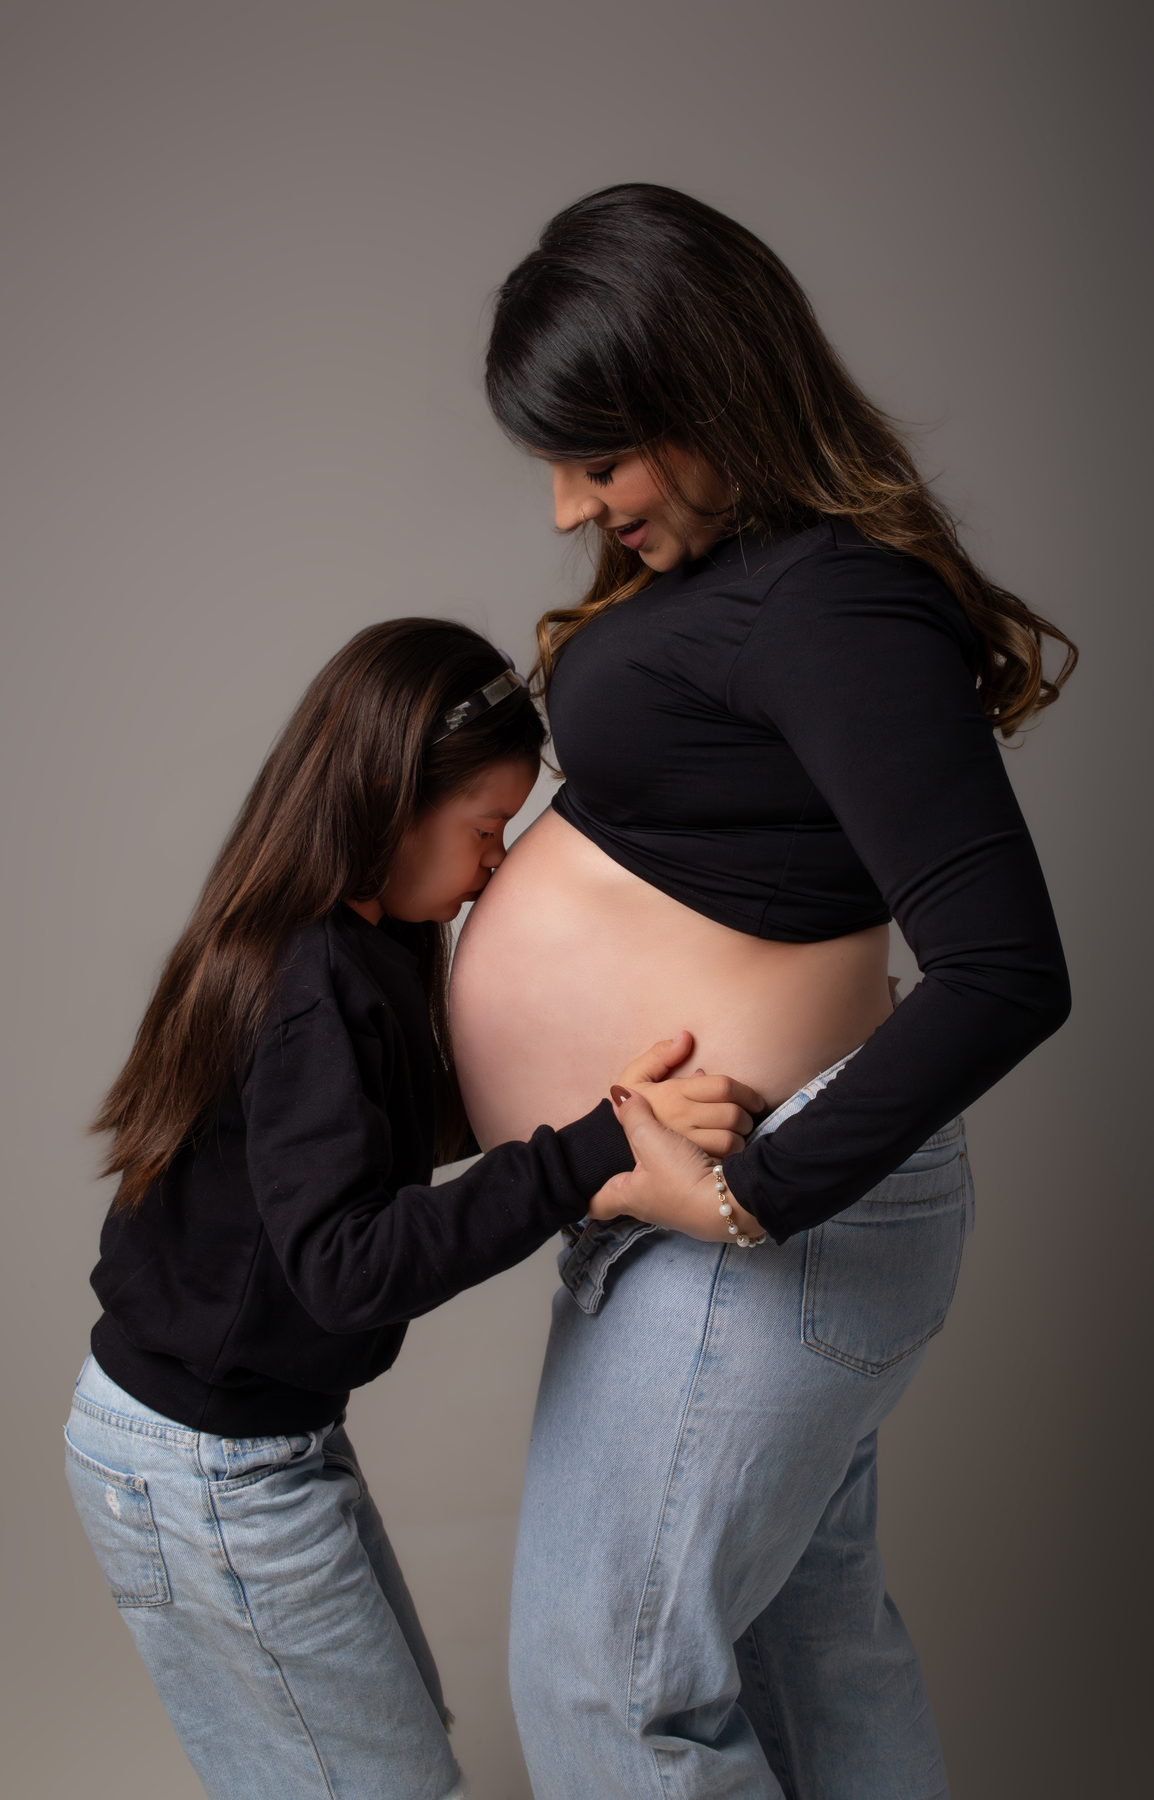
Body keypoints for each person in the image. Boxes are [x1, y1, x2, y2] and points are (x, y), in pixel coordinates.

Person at [450, 184, 1078, 1798]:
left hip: (761, 1224)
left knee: (609, 1681)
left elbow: (1007, 969)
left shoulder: (835, 604)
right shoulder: (760, 573)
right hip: (703, 1216)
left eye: (601, 459)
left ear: (710, 389)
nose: (568, 509)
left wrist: (747, 1197)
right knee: (814, 1665)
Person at [65, 617, 760, 1800]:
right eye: (486, 830)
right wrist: (589, 1152)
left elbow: (386, 1146)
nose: (495, 862)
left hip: (250, 1443)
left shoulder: (365, 942)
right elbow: (348, 1265)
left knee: (385, 1770)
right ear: (390, 795)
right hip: (202, 1462)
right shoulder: (308, 983)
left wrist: (601, 1109)